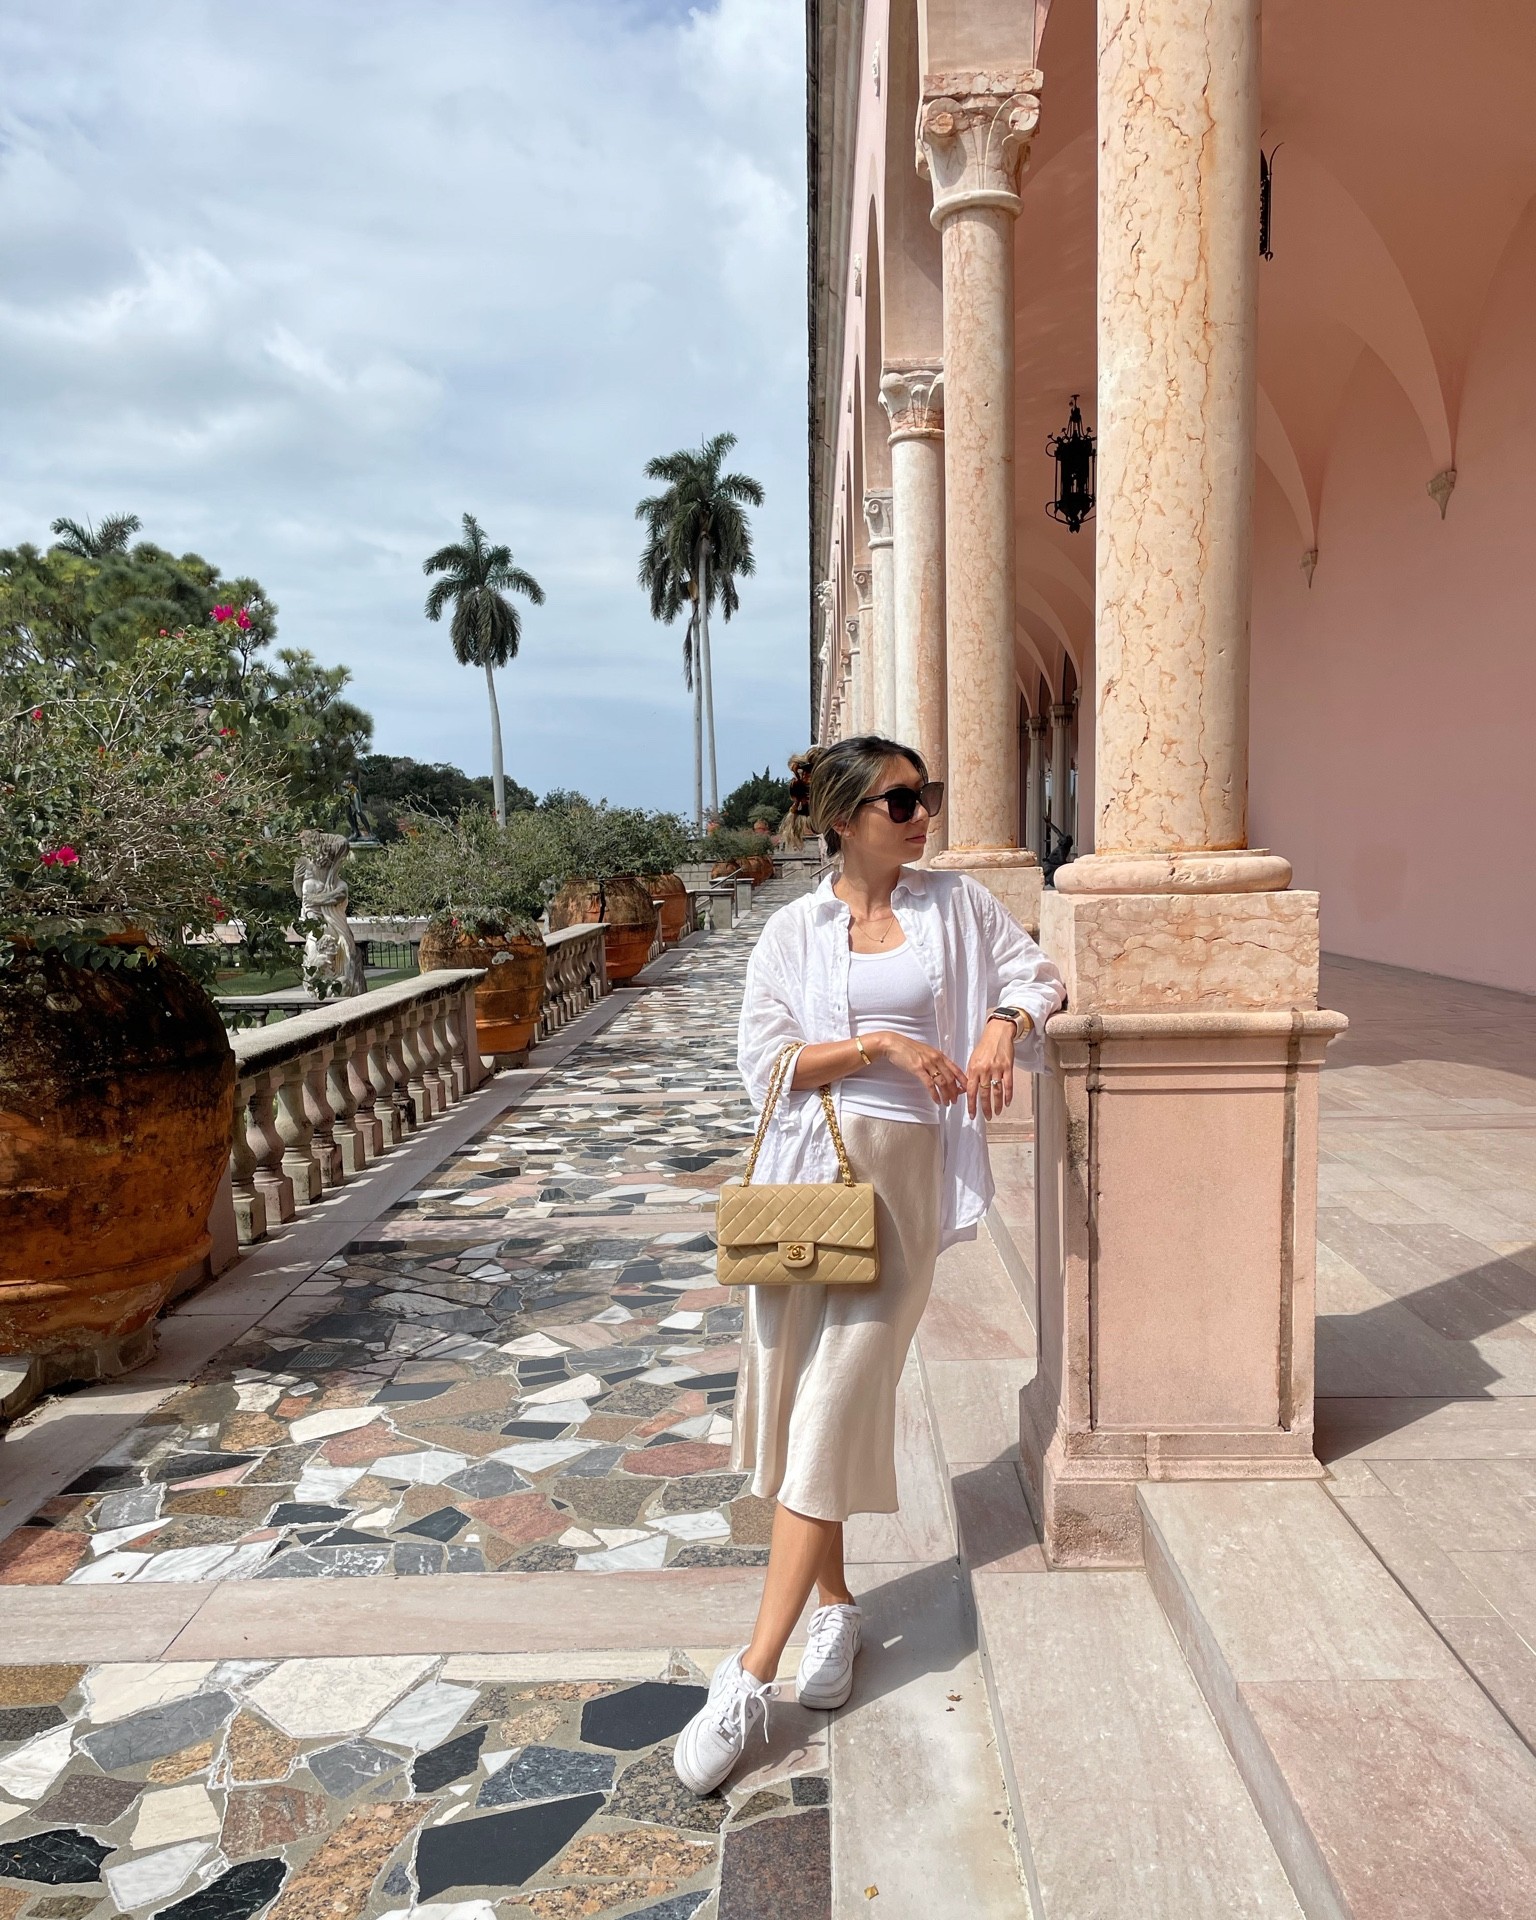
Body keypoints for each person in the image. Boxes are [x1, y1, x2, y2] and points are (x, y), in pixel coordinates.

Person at [674, 734, 1066, 1794]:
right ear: (844, 818)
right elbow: (765, 1064)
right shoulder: (794, 931)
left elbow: (1038, 976)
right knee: (806, 1398)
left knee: (837, 1397)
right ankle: (838, 1610)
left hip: (903, 1178)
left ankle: (750, 1674)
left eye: (925, 794)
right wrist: (882, 1046)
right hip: (811, 1179)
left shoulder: (956, 906)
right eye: (901, 801)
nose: (923, 814)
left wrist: (1001, 1024)